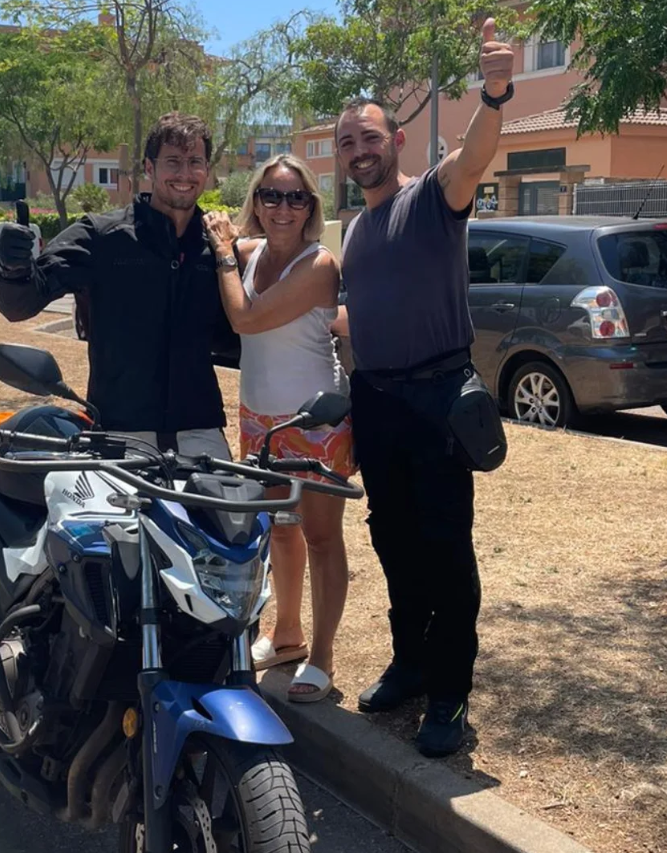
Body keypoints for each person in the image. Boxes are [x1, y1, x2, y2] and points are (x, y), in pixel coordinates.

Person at [336, 19, 514, 756]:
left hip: (439, 397)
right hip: (377, 401)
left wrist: (494, 95)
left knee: (444, 550)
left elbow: (474, 157)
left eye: (369, 137)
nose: (359, 149)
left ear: (397, 141)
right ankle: (409, 664)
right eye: (347, 141)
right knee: (393, 542)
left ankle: (448, 693)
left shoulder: (434, 195)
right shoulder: (353, 228)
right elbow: (359, 312)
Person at [0, 112, 236, 459]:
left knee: (231, 499)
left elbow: (239, 333)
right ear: (149, 168)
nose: (184, 173)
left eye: (195, 162)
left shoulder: (217, 245)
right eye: (173, 161)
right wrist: (12, 268)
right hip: (122, 432)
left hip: (201, 431)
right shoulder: (102, 236)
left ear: (207, 170)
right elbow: (21, 304)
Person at [202, 155, 354, 703]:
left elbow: (245, 317)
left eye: (295, 198)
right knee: (281, 530)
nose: (283, 208)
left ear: (310, 206)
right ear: (257, 202)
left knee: (321, 537)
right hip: (260, 420)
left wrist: (223, 251)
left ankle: (322, 656)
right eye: (271, 195)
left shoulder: (319, 265)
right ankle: (286, 635)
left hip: (315, 421)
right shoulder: (248, 253)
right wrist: (216, 229)